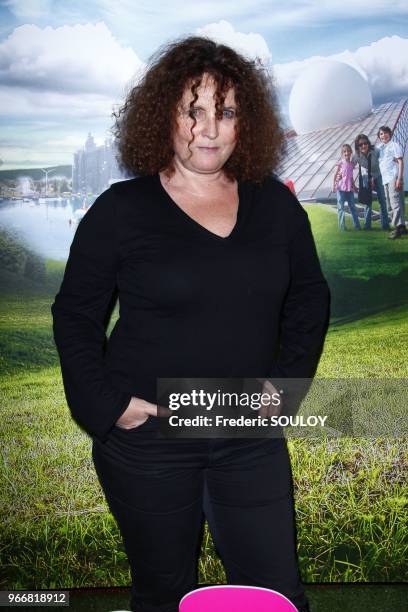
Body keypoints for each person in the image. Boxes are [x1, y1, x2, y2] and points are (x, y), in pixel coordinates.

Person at [51, 36, 330, 612]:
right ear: (165, 116)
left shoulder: (274, 205)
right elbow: (75, 314)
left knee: (278, 594)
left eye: (224, 112)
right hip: (148, 440)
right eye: (193, 110)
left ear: (243, 122)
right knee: (161, 592)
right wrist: (107, 405)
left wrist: (285, 388)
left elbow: (309, 298)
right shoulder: (120, 210)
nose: (209, 129)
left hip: (248, 433)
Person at [353, 133, 389, 231]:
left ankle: (385, 226)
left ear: (368, 143)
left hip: (378, 175)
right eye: (360, 144)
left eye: (365, 143)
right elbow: (348, 167)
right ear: (357, 146)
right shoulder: (356, 156)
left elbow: (385, 162)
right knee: (367, 201)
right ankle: (367, 226)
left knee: (382, 200)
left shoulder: (376, 151)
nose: (363, 146)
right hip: (366, 176)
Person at [376, 125, 407, 239]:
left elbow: (400, 162)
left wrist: (399, 178)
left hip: (393, 177)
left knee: (395, 202)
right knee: (390, 203)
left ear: (390, 133)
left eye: (385, 133)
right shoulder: (380, 148)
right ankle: (402, 227)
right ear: (379, 137)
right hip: (385, 179)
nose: (383, 135)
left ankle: (398, 229)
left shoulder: (394, 145)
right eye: (381, 134)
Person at [332, 144, 361, 231]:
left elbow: (351, 177)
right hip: (340, 189)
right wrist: (333, 185)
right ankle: (342, 227)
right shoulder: (340, 163)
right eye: (344, 151)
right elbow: (335, 175)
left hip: (349, 189)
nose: (346, 153)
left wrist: (355, 186)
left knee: (352, 207)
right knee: (341, 208)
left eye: (348, 151)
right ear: (342, 153)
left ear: (351, 152)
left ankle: (357, 226)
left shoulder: (351, 164)